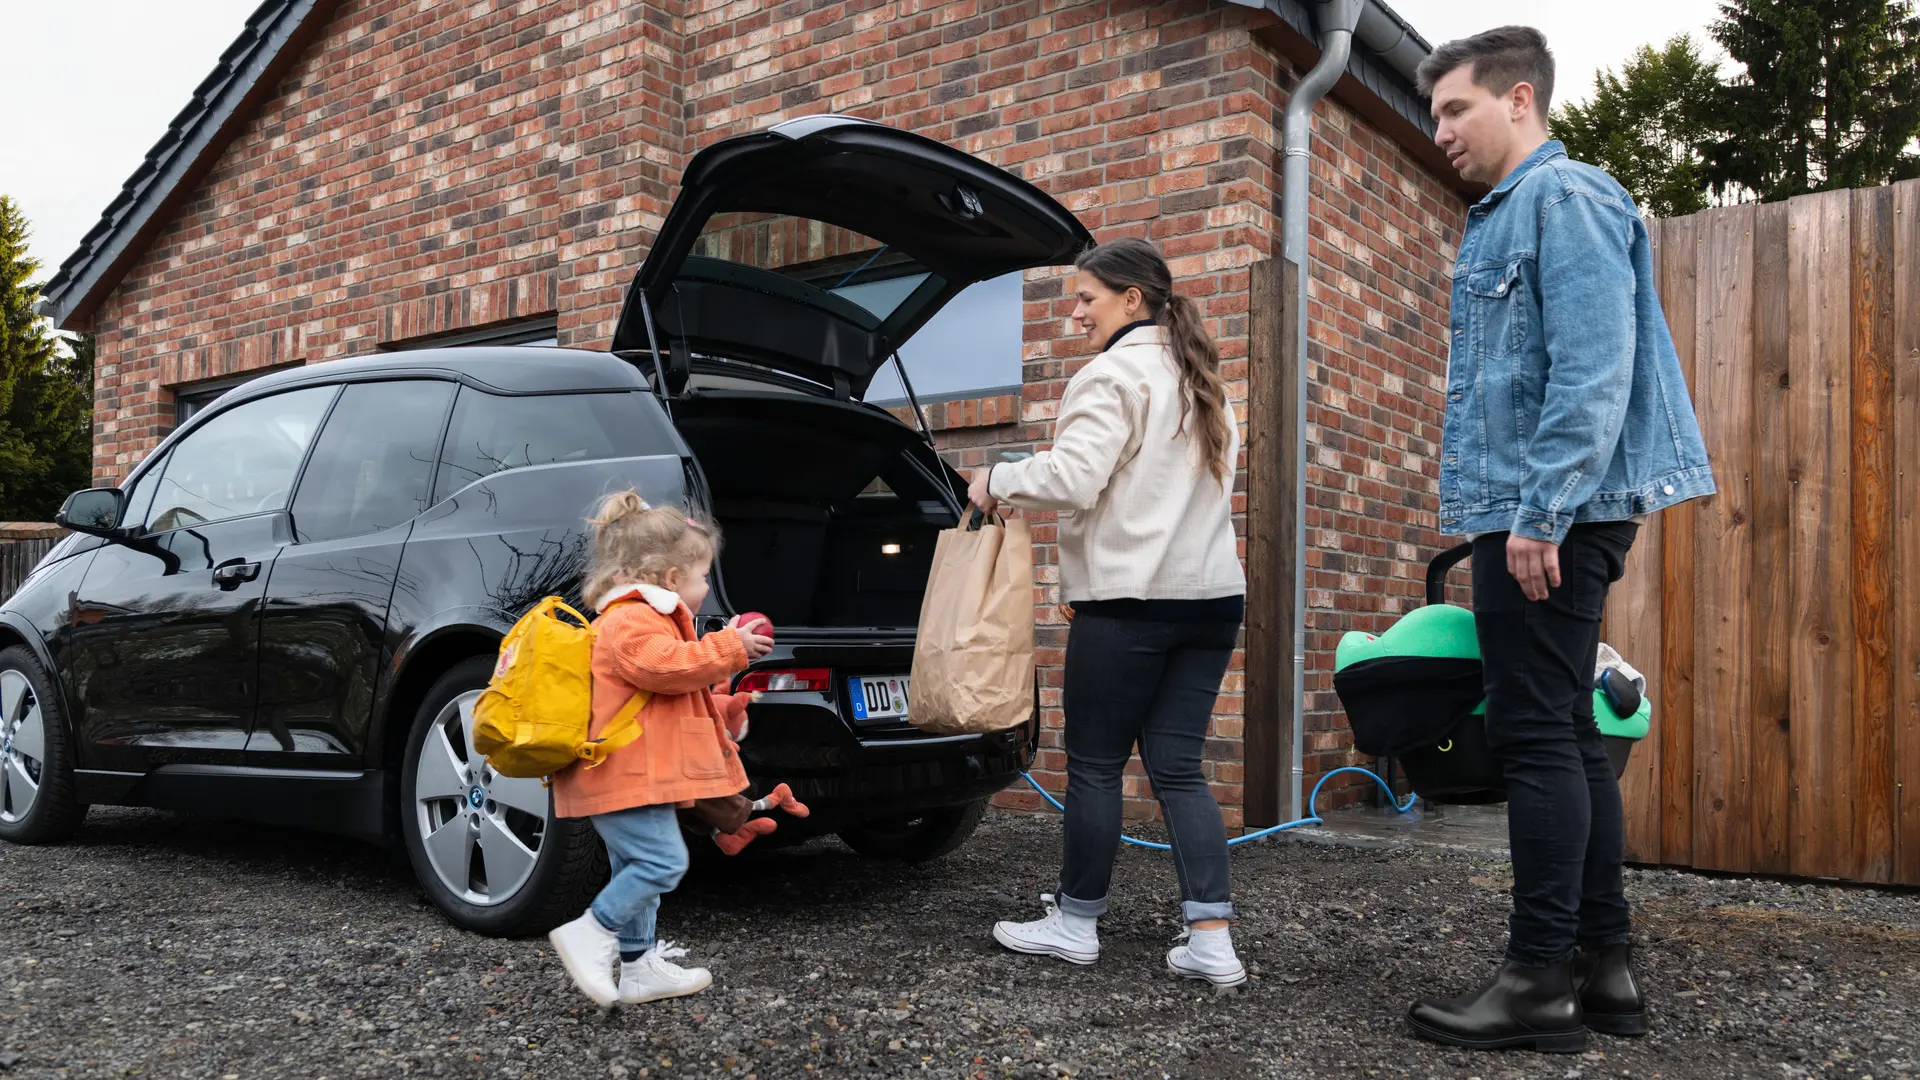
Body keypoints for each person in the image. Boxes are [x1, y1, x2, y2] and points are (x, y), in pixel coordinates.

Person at [1405, 27, 1714, 1051]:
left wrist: (1541, 512)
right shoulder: (1513, 211)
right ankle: (1602, 968)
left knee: (1536, 736)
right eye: (1435, 111)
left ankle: (1537, 981)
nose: (1438, 128)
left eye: (1455, 108)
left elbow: (1593, 365)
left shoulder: (1563, 196)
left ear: (1520, 99)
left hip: (1548, 511)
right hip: (1548, 506)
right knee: (1572, 737)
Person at [968, 236, 1250, 989]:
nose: (1075, 313)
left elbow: (1074, 477)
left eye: (1085, 298)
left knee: (1094, 765)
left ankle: (1076, 923)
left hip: (1132, 608)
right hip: (1212, 602)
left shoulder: (1111, 375)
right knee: (1180, 769)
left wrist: (995, 477)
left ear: (1133, 300)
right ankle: (1212, 940)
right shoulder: (1206, 383)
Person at [545, 492, 779, 1008]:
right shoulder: (632, 619)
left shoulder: (647, 619)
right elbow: (665, 668)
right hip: (621, 774)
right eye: (702, 578)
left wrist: (724, 721)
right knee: (661, 862)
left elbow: (672, 699)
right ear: (671, 579)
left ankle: (638, 967)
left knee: (639, 871)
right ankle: (589, 934)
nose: (705, 590)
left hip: (634, 773)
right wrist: (728, 648)